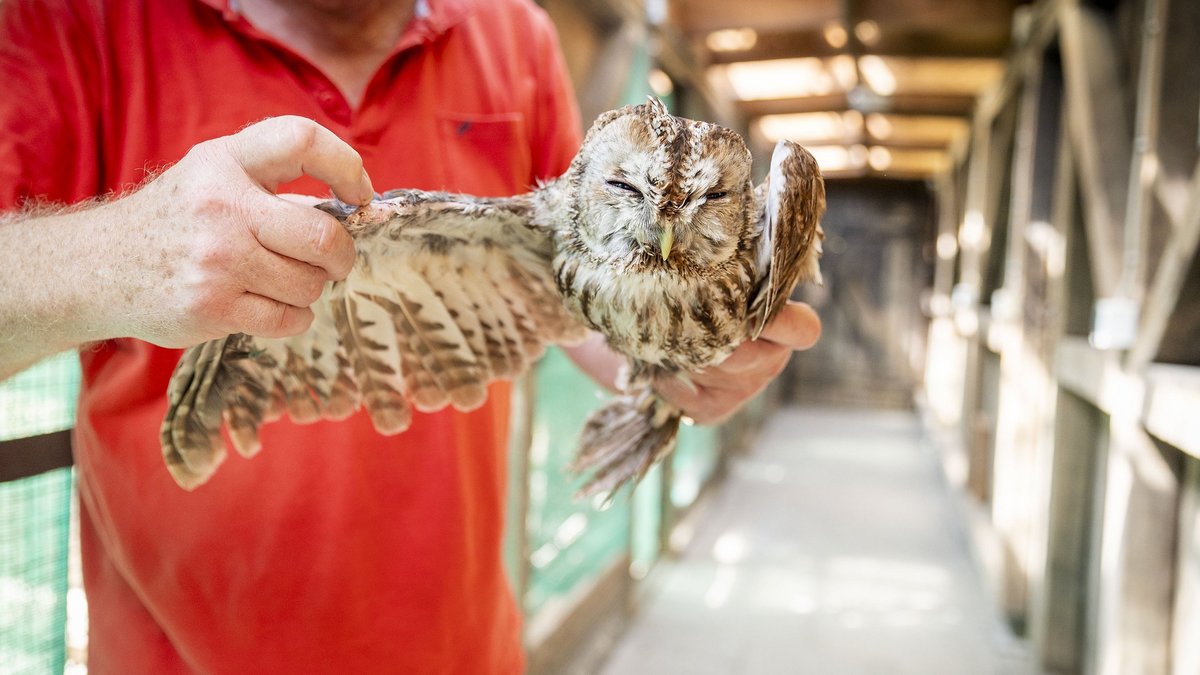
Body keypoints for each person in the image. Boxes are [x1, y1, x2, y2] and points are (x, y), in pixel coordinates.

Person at [0, 0, 821, 672]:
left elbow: (572, 284)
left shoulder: (515, 33)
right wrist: (114, 258)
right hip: (176, 654)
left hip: (464, 643)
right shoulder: (74, 21)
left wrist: (678, 364)